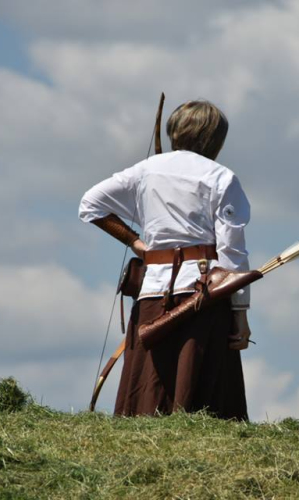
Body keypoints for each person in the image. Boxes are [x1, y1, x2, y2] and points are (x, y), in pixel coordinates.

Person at [79, 99, 251, 420]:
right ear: (216, 140)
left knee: (148, 387)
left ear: (175, 132)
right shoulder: (221, 177)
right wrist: (240, 314)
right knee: (206, 393)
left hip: (153, 294)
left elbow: (91, 204)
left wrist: (138, 244)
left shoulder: (147, 170)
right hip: (204, 294)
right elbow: (233, 254)